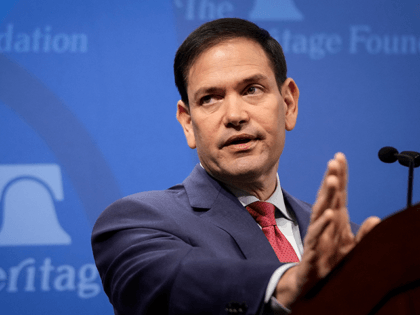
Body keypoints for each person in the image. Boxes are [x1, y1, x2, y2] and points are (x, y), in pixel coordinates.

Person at [92, 18, 380, 314]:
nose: (234, 114)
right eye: (210, 98)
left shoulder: (346, 244)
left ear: (288, 103)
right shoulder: (137, 221)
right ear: (188, 123)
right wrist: (291, 282)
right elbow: (169, 284)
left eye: (252, 89)